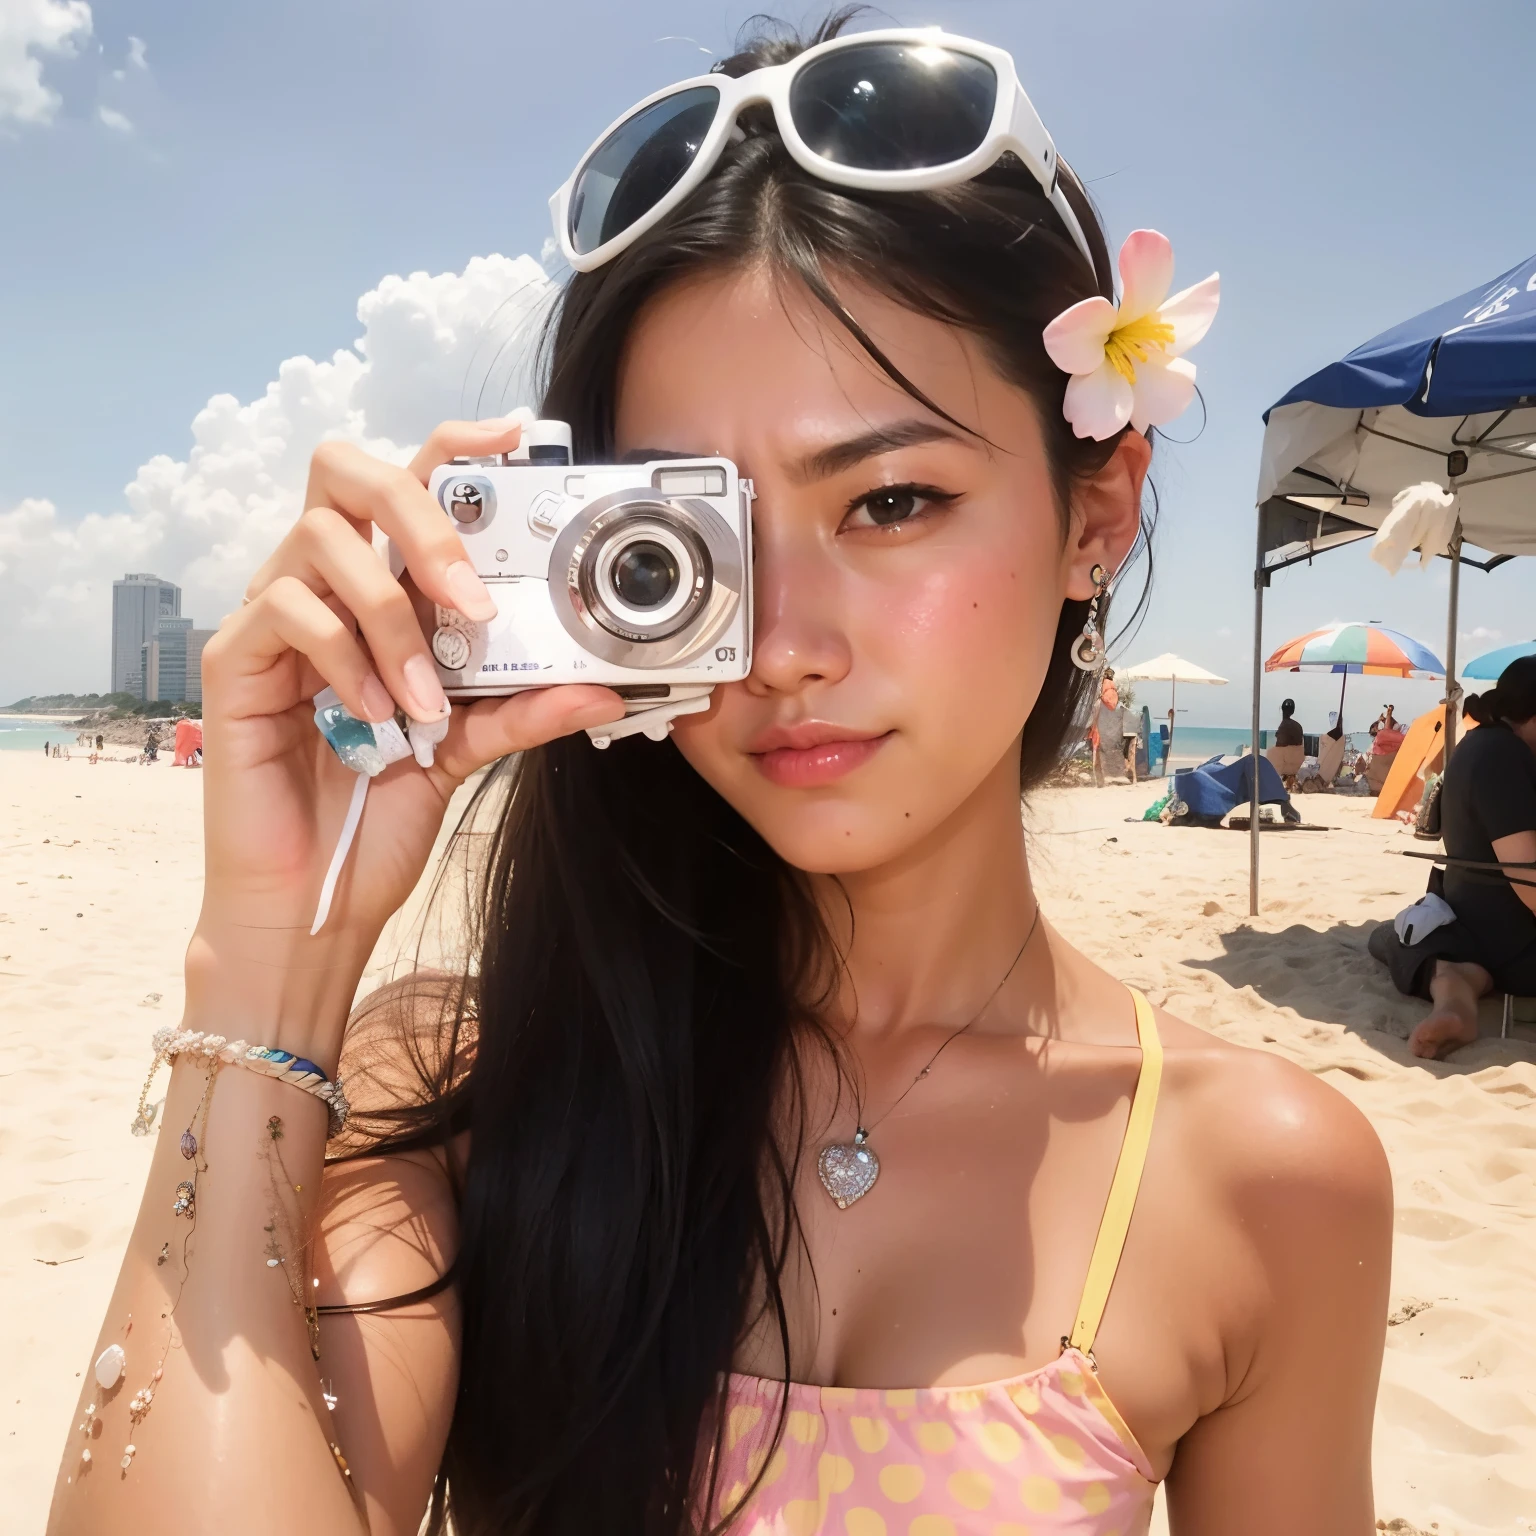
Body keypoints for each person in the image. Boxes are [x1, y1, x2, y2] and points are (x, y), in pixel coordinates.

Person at [50, 19, 1390, 1536]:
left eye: (891, 499)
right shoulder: (467, 1085)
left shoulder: (1264, 1179)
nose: (783, 648)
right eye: (688, 547)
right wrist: (266, 976)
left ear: (1099, 513)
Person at [1371, 657, 1536, 1058]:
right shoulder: (1504, 757)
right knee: (1393, 936)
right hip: (1517, 942)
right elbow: (1530, 881)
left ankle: (1456, 991)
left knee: (1395, 937)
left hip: (1471, 924)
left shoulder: (1480, 742)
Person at [1092, 670, 1127, 786]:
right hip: (1112, 737)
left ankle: (1098, 781)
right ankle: (1109, 778)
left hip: (1099, 733)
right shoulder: (1118, 703)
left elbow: (1093, 718)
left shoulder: (1099, 702)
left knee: (1096, 754)